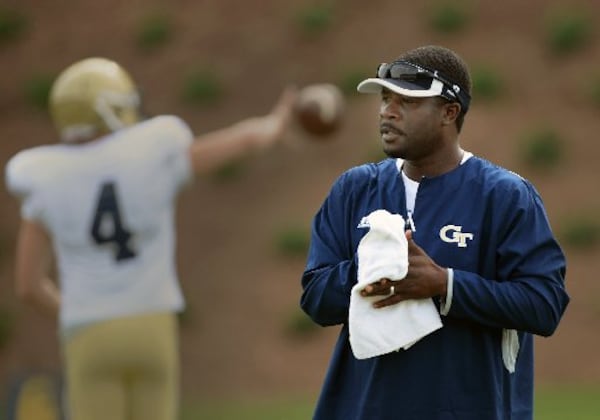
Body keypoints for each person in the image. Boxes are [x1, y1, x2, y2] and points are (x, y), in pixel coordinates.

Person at [5, 57, 297, 420]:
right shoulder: (153, 155)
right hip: (151, 325)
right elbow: (241, 140)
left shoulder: (46, 177)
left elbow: (28, 286)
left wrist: (77, 311)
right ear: (111, 109)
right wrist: (272, 125)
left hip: (89, 331)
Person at [300, 45, 570, 420]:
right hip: (364, 408)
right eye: (385, 98)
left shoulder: (506, 196)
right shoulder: (354, 189)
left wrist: (445, 285)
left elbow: (544, 305)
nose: (387, 111)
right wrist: (372, 269)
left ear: (449, 112)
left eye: (406, 101)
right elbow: (315, 298)